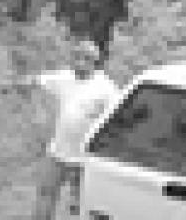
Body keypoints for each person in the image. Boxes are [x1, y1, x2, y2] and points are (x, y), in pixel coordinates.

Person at [22, 40, 120, 220]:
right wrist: (15, 85)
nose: (79, 62)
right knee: (45, 192)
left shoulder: (107, 89)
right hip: (58, 152)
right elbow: (38, 81)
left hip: (85, 157)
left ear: (94, 62)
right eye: (76, 57)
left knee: (79, 204)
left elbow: (116, 121)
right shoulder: (64, 77)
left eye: (85, 59)